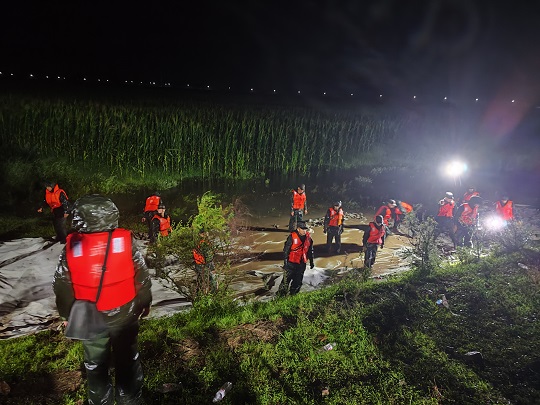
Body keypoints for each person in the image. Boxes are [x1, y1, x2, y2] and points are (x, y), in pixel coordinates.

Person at [53, 194, 152, 405]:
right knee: (127, 358)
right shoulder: (126, 241)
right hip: (125, 312)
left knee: (96, 365)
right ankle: (130, 400)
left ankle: (100, 401)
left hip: (90, 316)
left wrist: (66, 315)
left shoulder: (71, 247)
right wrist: (145, 301)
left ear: (79, 218)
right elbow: (141, 275)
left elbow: (61, 285)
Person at [278, 221, 314, 296]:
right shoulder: (292, 237)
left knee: (297, 282)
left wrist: (311, 262)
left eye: (305, 229)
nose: (304, 231)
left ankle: (293, 296)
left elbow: (310, 251)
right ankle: (280, 297)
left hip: (301, 264)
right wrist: (285, 263)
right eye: (302, 229)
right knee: (285, 282)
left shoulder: (309, 239)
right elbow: (286, 250)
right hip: (291, 263)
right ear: (298, 229)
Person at [192, 228, 216, 293]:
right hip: (202, 264)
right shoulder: (203, 243)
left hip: (199, 264)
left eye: (206, 233)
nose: (206, 234)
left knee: (201, 279)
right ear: (200, 234)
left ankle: (198, 293)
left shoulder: (197, 242)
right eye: (204, 233)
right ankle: (213, 294)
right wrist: (212, 268)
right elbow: (208, 257)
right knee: (211, 280)